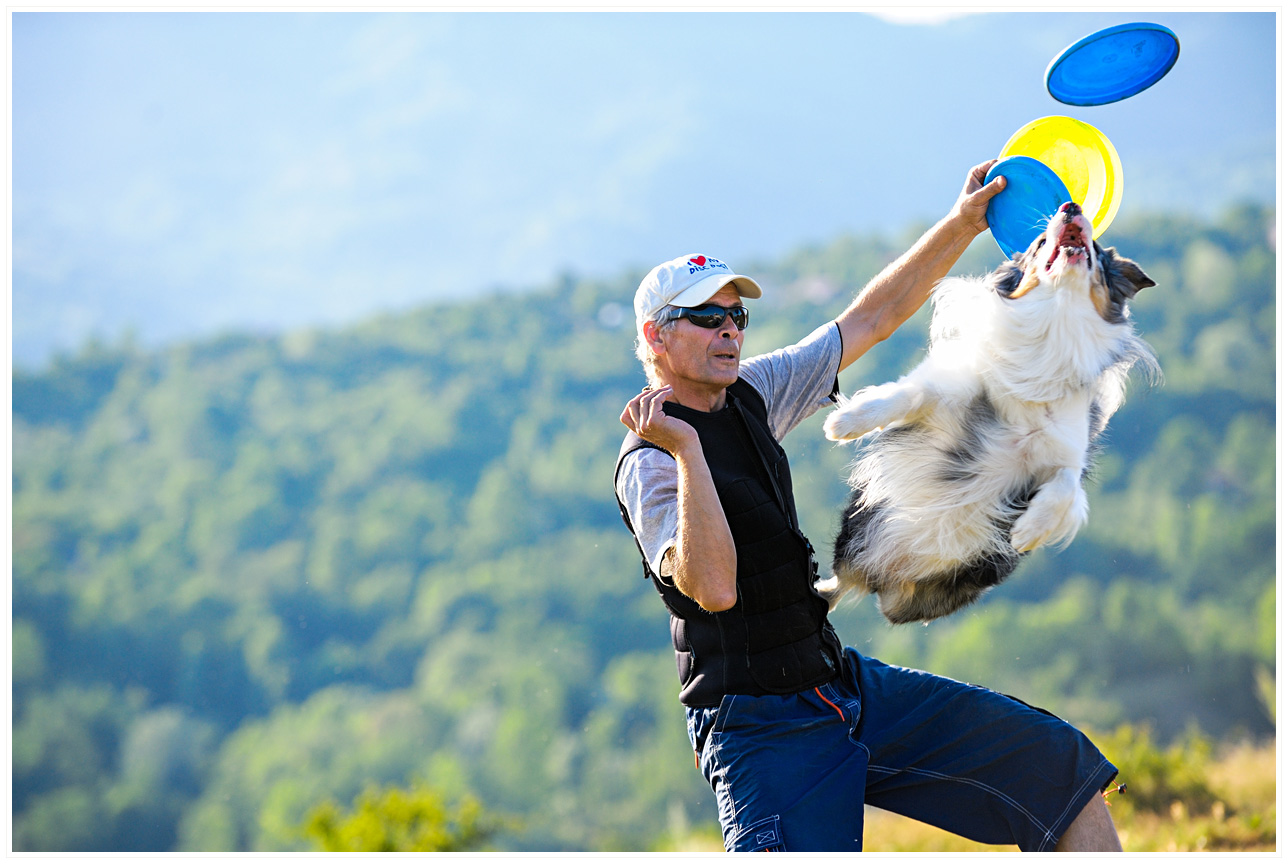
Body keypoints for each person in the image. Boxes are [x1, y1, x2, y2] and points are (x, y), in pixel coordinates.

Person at [613, 161, 1123, 852]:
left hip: (839, 684)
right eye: (706, 318)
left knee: (1061, 773)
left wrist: (963, 223)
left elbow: (871, 319)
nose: (730, 331)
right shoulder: (649, 464)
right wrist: (686, 450)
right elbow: (714, 587)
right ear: (656, 338)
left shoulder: (752, 390)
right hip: (760, 729)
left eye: (736, 315)